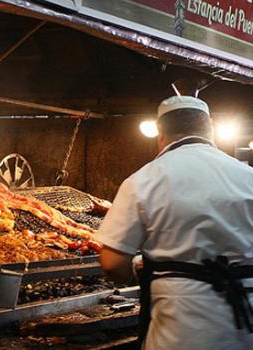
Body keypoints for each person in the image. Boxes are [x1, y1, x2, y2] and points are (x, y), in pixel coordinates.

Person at [95, 96, 253, 350]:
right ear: (210, 127)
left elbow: (112, 264)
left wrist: (138, 271)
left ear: (160, 134)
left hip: (182, 329)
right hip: (245, 323)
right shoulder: (248, 177)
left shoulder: (144, 180)